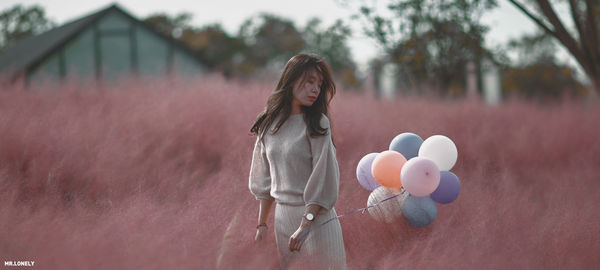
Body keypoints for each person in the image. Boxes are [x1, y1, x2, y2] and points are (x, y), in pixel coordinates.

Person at [248, 53, 347, 270]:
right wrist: (262, 224)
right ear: (292, 80)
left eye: (319, 85)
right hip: (283, 219)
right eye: (310, 81)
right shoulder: (268, 125)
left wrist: (306, 223)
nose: (315, 89)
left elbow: (323, 178)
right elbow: (265, 181)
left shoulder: (317, 124)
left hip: (316, 220)